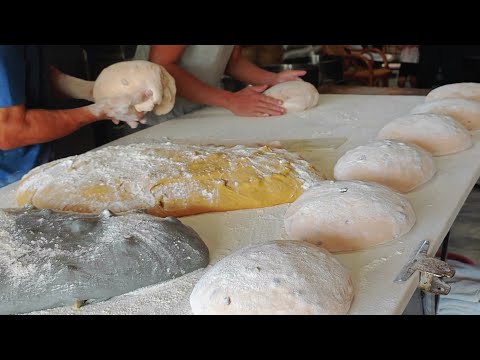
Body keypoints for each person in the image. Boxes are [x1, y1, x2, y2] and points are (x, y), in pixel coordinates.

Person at [0, 45, 150, 188]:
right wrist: (101, 111)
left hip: (33, 168)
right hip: (7, 181)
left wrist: (94, 91)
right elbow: (11, 131)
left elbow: (30, 74)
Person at [133, 45, 307, 125]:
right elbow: (162, 68)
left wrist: (272, 80)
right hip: (157, 116)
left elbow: (232, 61)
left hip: (199, 111)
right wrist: (230, 100)